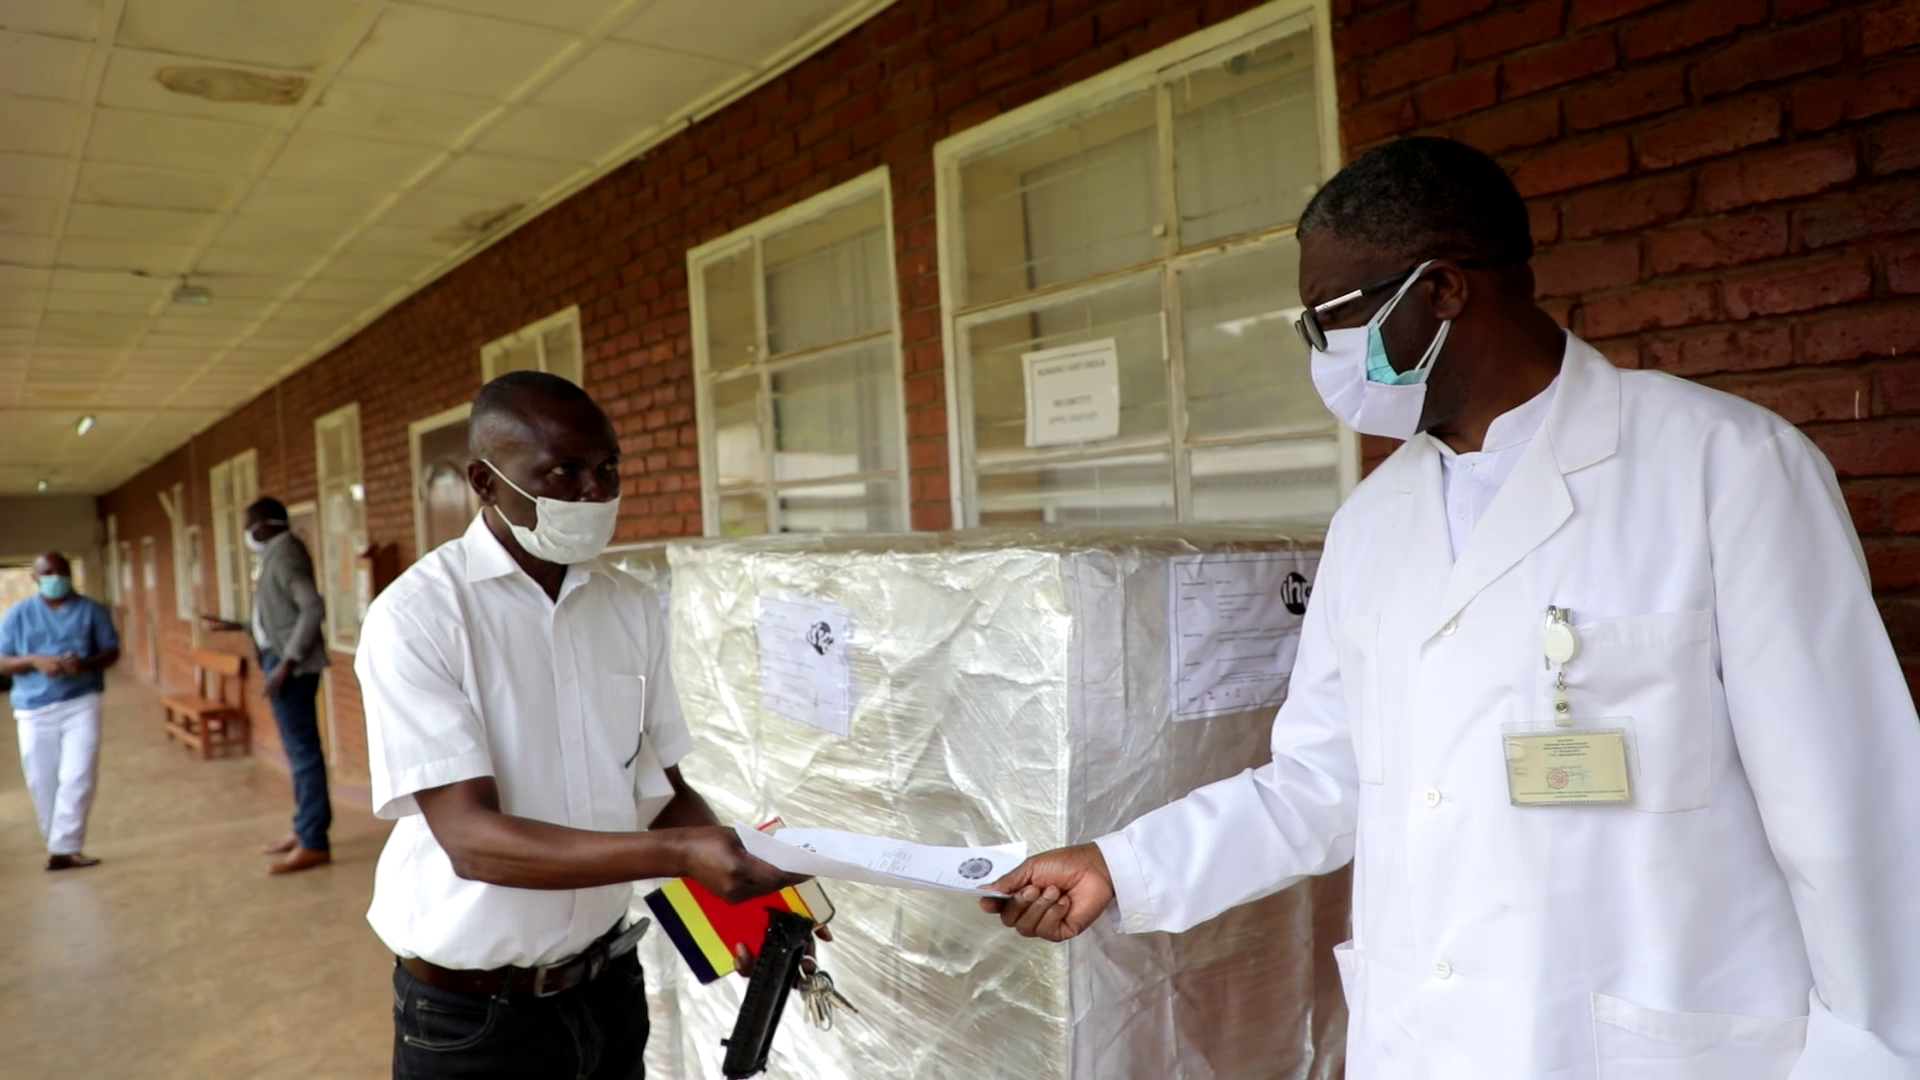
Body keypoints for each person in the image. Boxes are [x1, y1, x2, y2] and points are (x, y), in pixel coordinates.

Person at [983, 137, 1920, 1079]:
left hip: (1649, 1044)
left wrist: (1869, 1057)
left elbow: (1849, 807)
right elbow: (1321, 779)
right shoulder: (1370, 522)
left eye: (1331, 317)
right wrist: (1120, 865)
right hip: (1424, 1043)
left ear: (1440, 290)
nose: (1321, 351)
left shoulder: (1725, 466)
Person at [357, 371, 809, 1080]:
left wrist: (750, 913)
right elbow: (473, 842)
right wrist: (684, 856)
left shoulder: (629, 606)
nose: (595, 493)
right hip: (474, 1020)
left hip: (608, 991)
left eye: (608, 469)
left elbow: (663, 792)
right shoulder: (419, 619)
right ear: (485, 482)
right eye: (563, 472)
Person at [0, 552, 119, 871]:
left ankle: (65, 849)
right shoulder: (18, 615)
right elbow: (3, 660)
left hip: (81, 701)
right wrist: (34, 660)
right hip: (33, 708)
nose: (56, 578)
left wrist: (86, 664)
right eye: (48, 573)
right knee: (41, 780)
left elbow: (111, 652)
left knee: (78, 775)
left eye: (62, 572)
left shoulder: (92, 611)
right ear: (35, 578)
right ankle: (58, 843)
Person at [245, 496, 333, 875]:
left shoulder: (284, 555)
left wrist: (288, 662)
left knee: (303, 752)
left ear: (265, 525)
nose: (247, 534)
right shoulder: (276, 555)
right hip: (280, 661)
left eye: (249, 526)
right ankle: (303, 827)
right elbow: (280, 613)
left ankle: (314, 841)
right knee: (297, 752)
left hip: (290, 668)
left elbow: (312, 607)